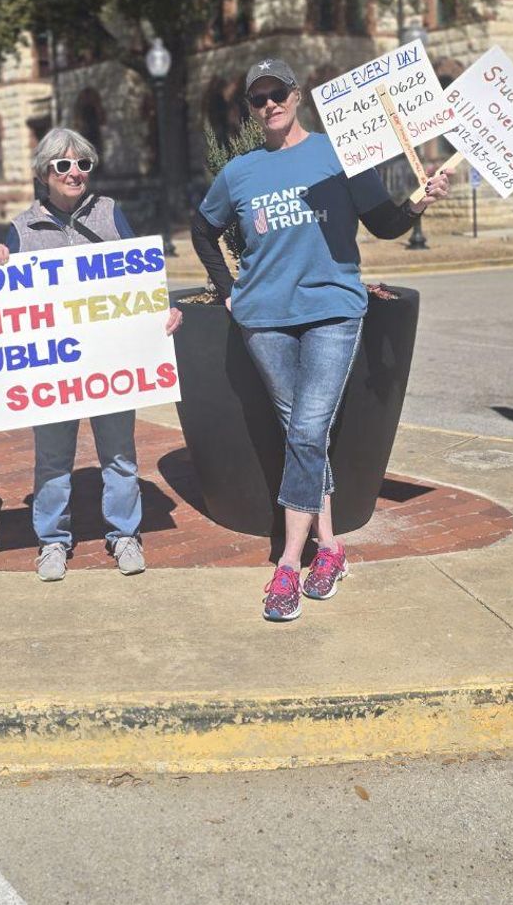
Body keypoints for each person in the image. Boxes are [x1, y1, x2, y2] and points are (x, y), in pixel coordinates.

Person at [191, 59, 452, 623]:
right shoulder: (239, 172)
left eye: (277, 93)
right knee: (300, 433)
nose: (269, 106)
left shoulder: (338, 155)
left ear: (297, 95)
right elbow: (203, 228)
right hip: (263, 319)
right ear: (251, 110)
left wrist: (418, 203)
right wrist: (227, 289)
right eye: (257, 99)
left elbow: (382, 223)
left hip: (332, 310)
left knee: (308, 429)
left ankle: (288, 560)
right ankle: (330, 546)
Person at [0, 126, 183, 582]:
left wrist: (164, 307)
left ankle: (124, 534)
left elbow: (141, 276)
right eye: (63, 165)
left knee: (119, 454)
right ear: (44, 173)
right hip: (55, 371)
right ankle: (52, 541)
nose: (74, 173)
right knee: (53, 458)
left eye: (82, 164)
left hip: (111, 363)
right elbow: (0, 303)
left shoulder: (111, 214)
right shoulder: (20, 228)